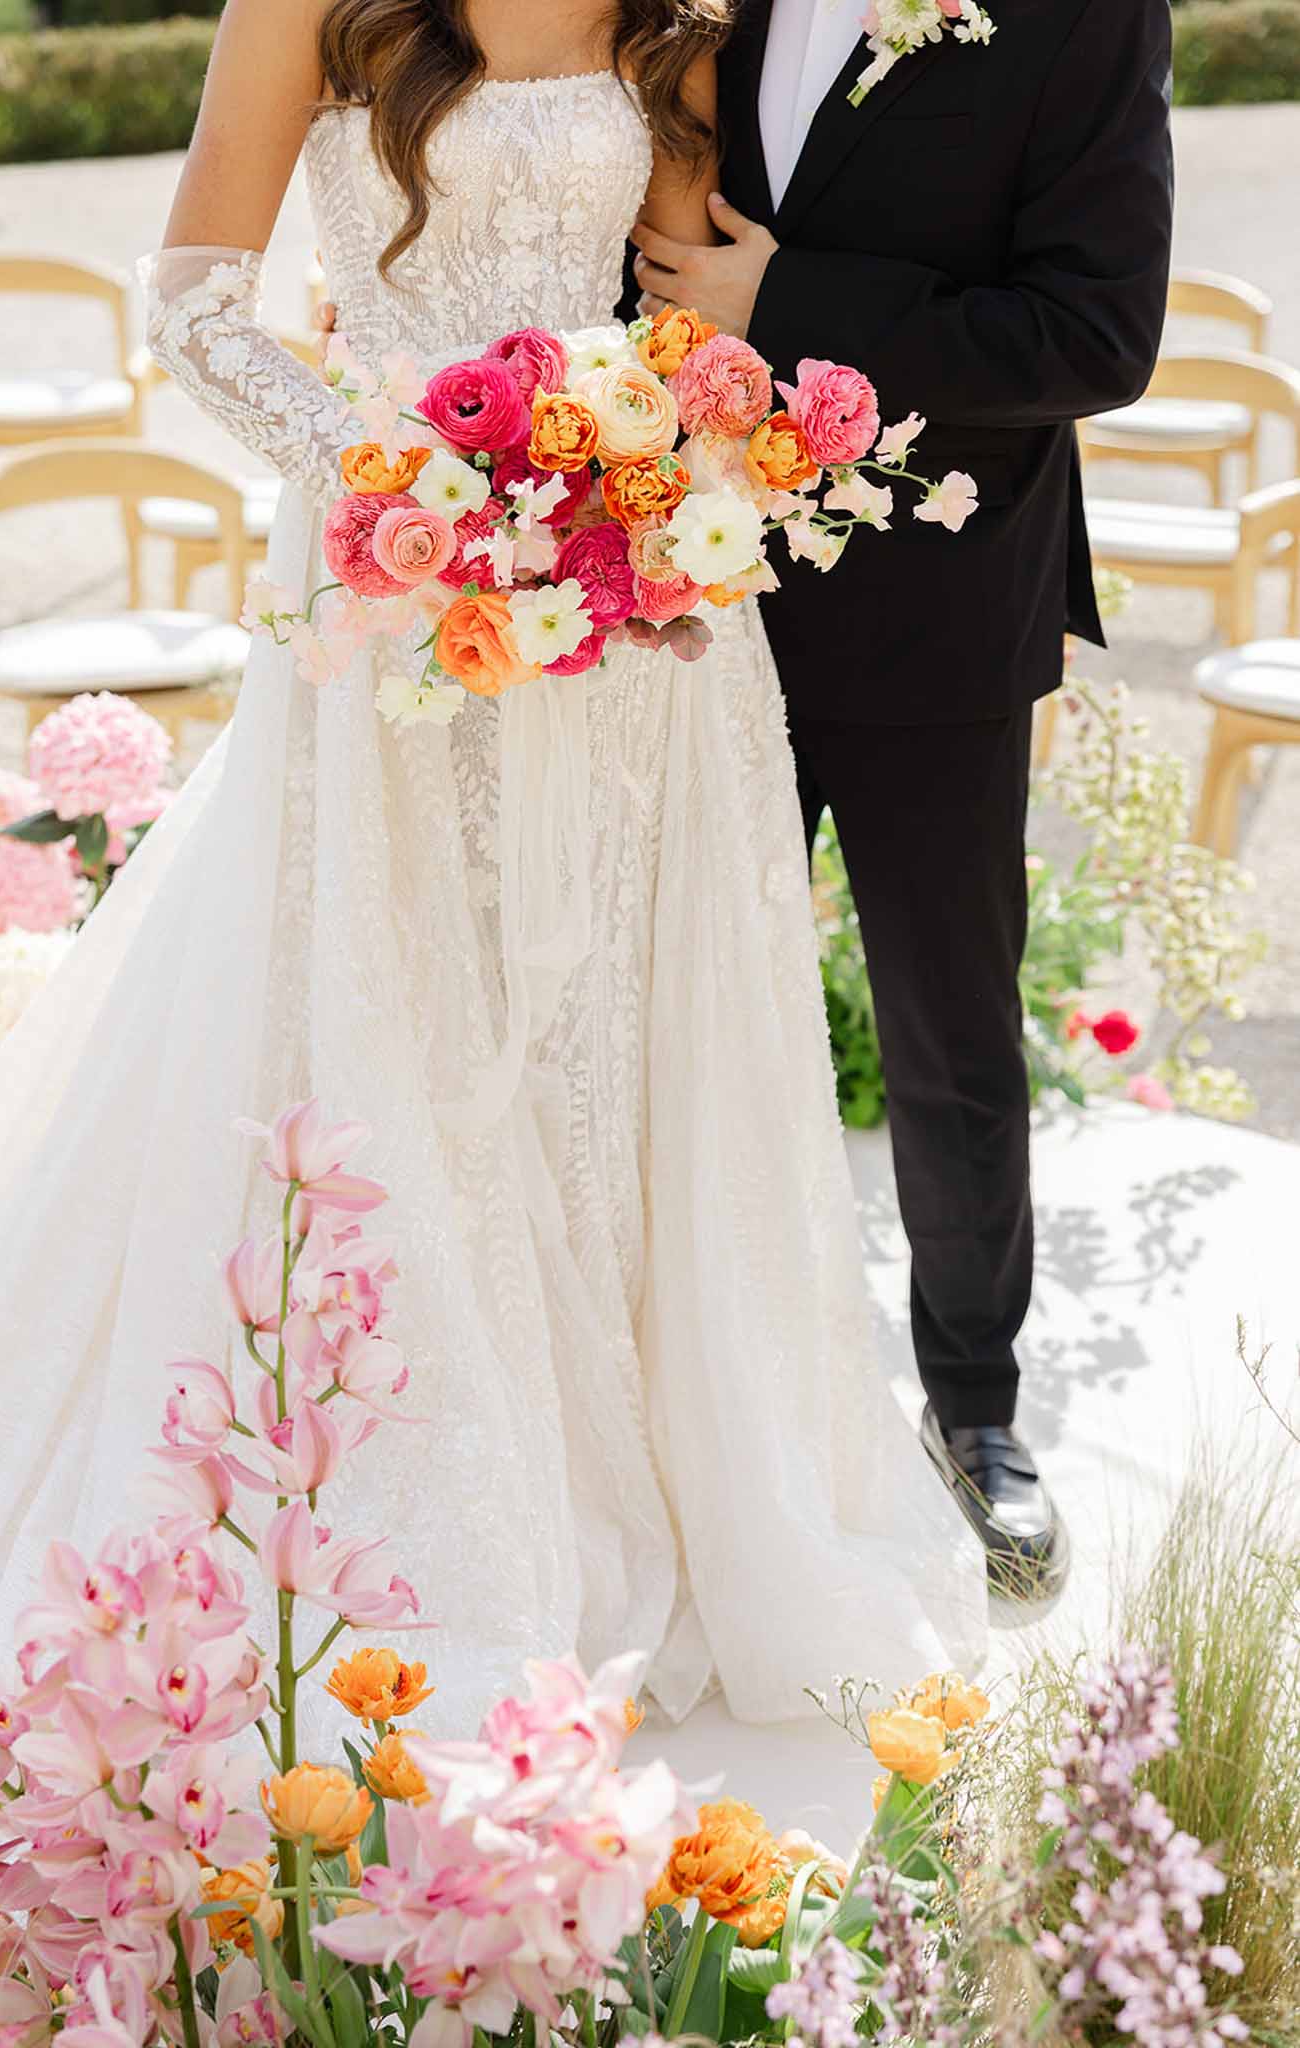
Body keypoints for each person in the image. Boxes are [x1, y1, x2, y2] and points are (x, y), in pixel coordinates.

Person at [0, 0, 987, 1740]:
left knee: (620, 1016)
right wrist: (397, 470)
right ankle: (451, 1499)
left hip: (636, 592)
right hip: (394, 581)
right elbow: (195, 304)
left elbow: (681, 283)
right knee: (403, 994)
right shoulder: (311, 10)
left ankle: (668, 1474)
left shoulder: (669, 20)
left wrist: (685, 442)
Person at [628, 0, 1173, 1577]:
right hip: (686, 594)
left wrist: (790, 299)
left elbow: (1092, 335)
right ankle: (657, 1396)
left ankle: (976, 1405)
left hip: (937, 600)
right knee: (663, 997)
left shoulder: (1083, 18)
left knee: (947, 1019)